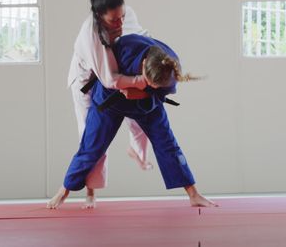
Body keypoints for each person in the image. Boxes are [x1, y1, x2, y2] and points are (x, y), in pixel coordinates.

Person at [48, 34, 217, 208]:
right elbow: (105, 77)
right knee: (92, 145)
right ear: (143, 65)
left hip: (147, 104)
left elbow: (161, 94)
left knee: (167, 144)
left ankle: (193, 194)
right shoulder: (123, 49)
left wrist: (144, 93)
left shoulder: (170, 68)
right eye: (149, 83)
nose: (152, 86)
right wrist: (128, 86)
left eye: (155, 86)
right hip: (110, 98)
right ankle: (64, 188)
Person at [65, 0, 152, 208]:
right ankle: (90, 194)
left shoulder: (125, 14)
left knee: (142, 110)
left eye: (121, 17)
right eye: (114, 21)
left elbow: (141, 37)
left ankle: (137, 151)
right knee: (91, 136)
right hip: (88, 83)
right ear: (100, 17)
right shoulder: (90, 35)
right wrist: (139, 81)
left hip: (116, 75)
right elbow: (109, 79)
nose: (120, 23)